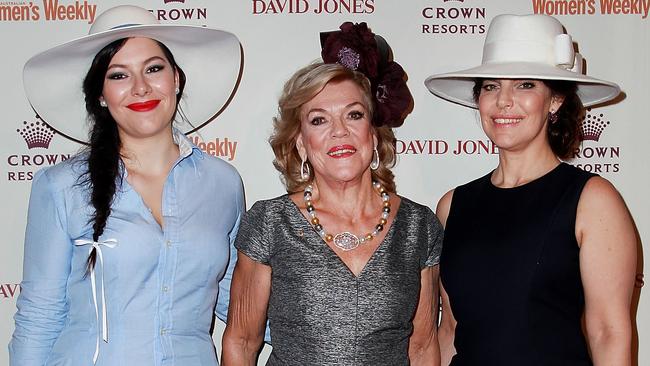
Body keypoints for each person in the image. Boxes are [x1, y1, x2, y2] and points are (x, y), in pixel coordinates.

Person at [9, 5, 244, 365]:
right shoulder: (60, 187)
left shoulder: (223, 183)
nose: (141, 87)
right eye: (119, 75)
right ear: (101, 95)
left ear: (176, 79)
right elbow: (40, 314)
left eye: (153, 68)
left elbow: (236, 298)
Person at [222, 22, 443, 365]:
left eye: (353, 115)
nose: (339, 132)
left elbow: (423, 346)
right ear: (301, 142)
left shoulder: (419, 227)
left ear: (372, 134)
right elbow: (241, 341)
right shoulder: (270, 223)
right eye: (319, 120)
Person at [425, 14, 637, 365]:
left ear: (555, 101)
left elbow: (608, 333)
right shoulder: (452, 205)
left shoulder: (592, 200)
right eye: (491, 86)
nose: (504, 101)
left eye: (525, 85)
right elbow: (450, 329)